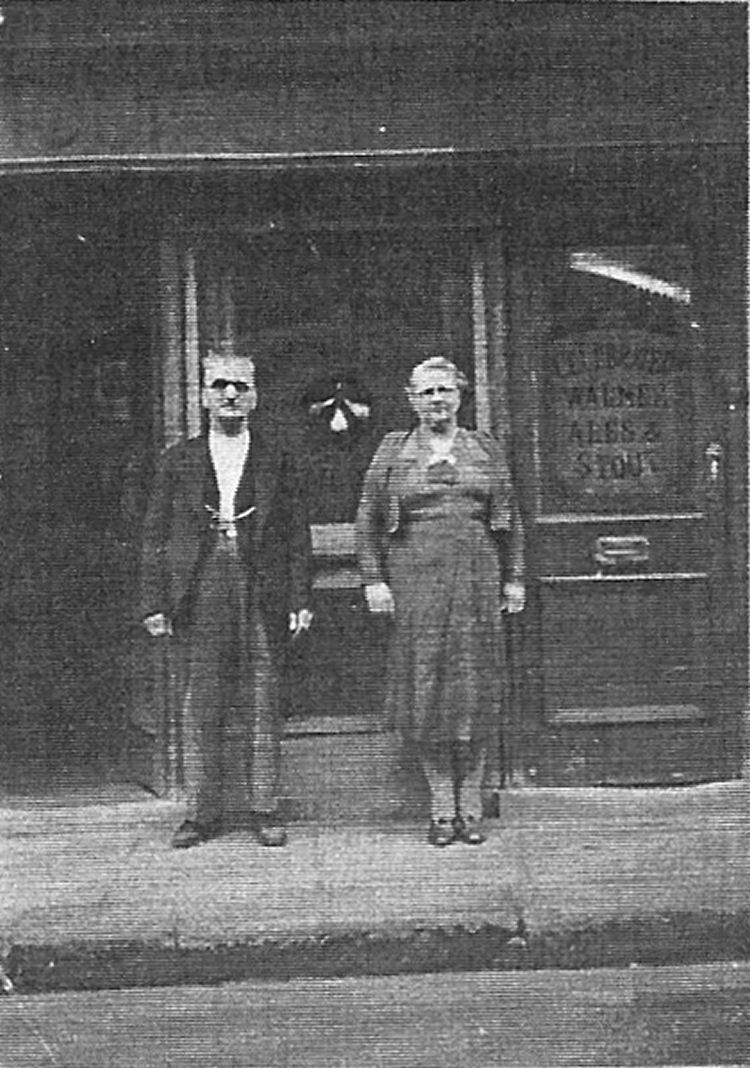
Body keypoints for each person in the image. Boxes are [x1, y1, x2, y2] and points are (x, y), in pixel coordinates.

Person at [139, 345, 312, 848]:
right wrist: (155, 602)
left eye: (240, 386)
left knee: (263, 696)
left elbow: (296, 535)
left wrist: (300, 597)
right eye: (220, 386)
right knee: (202, 703)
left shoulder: (278, 457)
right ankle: (201, 812)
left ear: (255, 396)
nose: (231, 395)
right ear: (203, 397)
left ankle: (264, 807)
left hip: (262, 585)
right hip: (201, 585)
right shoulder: (179, 461)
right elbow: (155, 536)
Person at [356, 356, 524, 847]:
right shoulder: (393, 451)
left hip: (477, 581)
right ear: (411, 399)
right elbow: (367, 519)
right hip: (416, 586)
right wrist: (373, 580)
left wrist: (514, 579)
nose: (436, 400)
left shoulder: (484, 448)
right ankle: (440, 805)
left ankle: (471, 805)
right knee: (426, 689)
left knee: (474, 688)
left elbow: (511, 519)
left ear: (460, 396)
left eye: (445, 391)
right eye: (426, 392)